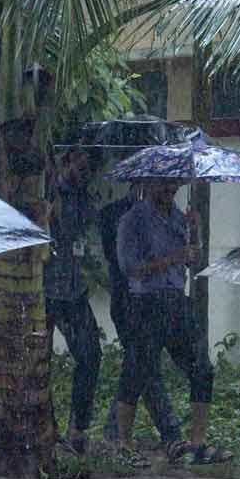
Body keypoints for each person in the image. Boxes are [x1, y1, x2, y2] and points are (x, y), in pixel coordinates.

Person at [115, 179, 230, 464]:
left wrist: (196, 231)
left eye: (174, 186)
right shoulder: (134, 220)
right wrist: (170, 259)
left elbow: (192, 261)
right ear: (151, 185)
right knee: (136, 373)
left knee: (202, 368)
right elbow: (129, 268)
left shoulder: (179, 218)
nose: (170, 191)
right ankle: (123, 444)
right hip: (146, 302)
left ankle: (198, 444)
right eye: (164, 186)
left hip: (177, 300)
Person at [44, 147, 102, 454]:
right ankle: (45, 428)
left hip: (73, 289)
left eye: (91, 168)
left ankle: (77, 428)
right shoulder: (45, 188)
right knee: (39, 362)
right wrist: (47, 213)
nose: (87, 171)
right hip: (42, 289)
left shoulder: (83, 197)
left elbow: (85, 233)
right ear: (69, 159)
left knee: (90, 355)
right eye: (82, 164)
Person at [99, 188, 134, 444]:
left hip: (160, 300)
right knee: (141, 364)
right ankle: (115, 431)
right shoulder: (114, 214)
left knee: (142, 365)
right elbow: (120, 262)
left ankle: (115, 430)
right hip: (127, 298)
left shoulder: (171, 216)